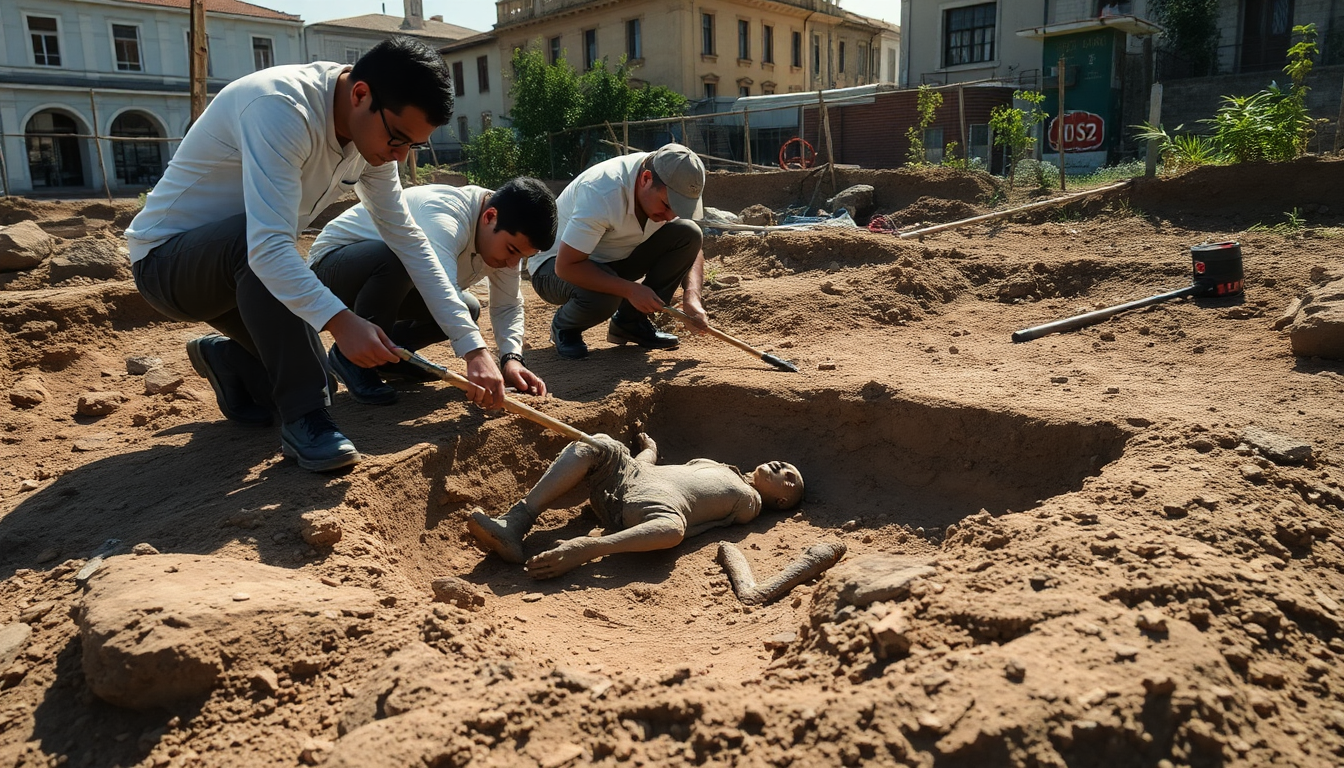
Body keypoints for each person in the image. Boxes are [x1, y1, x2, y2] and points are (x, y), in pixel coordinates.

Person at [126, 37, 506, 474]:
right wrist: (344, 322)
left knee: (318, 379)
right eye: (398, 138)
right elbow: (267, 247)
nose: (399, 155)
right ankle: (306, 423)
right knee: (266, 261)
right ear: (360, 94)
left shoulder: (371, 140)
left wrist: (472, 347)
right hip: (169, 264)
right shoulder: (280, 108)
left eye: (412, 146)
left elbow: (408, 239)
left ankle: (230, 361)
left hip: (243, 272)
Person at [308, 178, 558, 405]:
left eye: (523, 257)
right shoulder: (444, 215)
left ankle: (390, 359)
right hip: (331, 271)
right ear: (489, 216)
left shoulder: (502, 234)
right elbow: (440, 287)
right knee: (399, 259)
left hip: (389, 283)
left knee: (468, 308)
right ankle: (350, 359)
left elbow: (507, 304)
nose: (513, 264)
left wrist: (511, 358)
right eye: (513, 251)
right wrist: (476, 354)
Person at [467, 432, 805, 579]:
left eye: (791, 478)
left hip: (652, 508)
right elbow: (657, 472)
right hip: (630, 477)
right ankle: (517, 520)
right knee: (597, 443)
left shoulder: (751, 503)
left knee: (673, 529)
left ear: (781, 500)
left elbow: (700, 526)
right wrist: (650, 452)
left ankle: (588, 549)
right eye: (786, 464)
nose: (784, 468)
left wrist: (679, 526)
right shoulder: (720, 467)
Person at [529, 143, 712, 360]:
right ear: (645, 179)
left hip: (612, 259)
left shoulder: (665, 179)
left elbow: (692, 247)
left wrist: (692, 297)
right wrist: (629, 290)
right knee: (606, 297)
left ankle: (630, 322)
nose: (670, 215)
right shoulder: (602, 192)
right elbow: (566, 266)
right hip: (554, 267)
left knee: (689, 233)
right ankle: (565, 326)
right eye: (666, 205)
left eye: (678, 208)